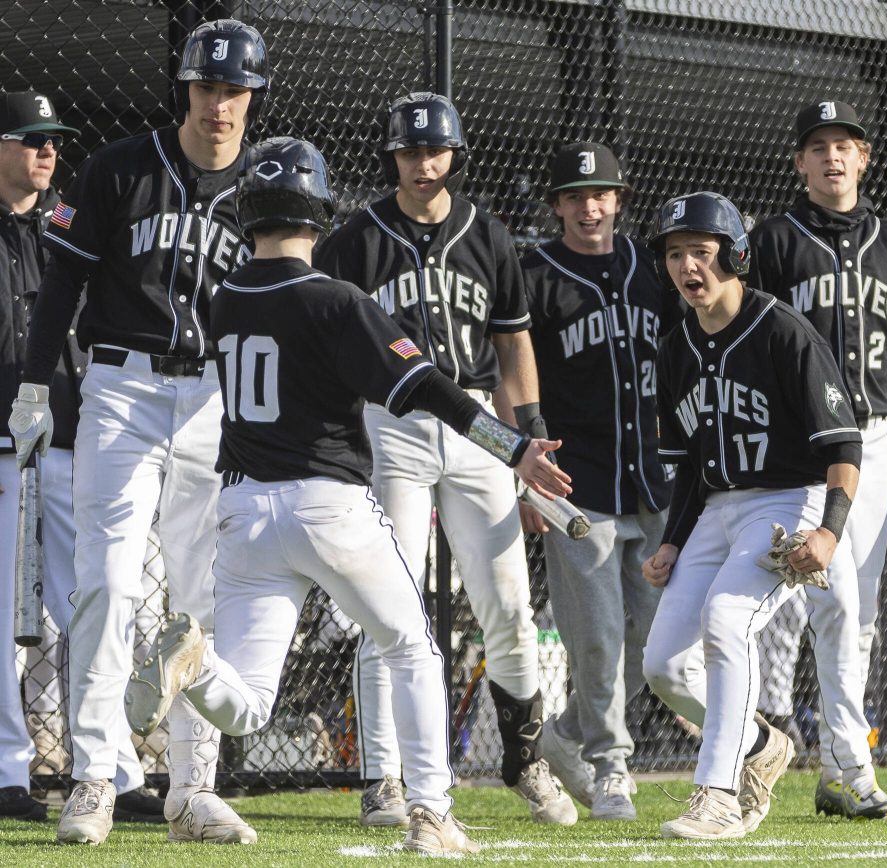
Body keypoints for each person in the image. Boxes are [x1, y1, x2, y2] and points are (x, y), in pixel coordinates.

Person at [124, 135, 572, 854]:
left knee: (246, 703)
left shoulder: (230, 296)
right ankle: (430, 813)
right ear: (319, 209)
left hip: (243, 510)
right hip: (327, 505)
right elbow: (428, 388)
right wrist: (516, 448)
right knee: (413, 649)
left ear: (250, 212)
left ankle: (194, 665)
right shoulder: (337, 298)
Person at [7, 20, 270, 845]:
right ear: (184, 88)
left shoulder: (268, 184)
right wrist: (30, 389)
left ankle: (192, 788)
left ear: (253, 97)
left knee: (200, 598)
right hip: (121, 390)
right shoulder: (119, 167)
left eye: (234, 90)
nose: (218, 104)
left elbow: (290, 307)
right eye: (206, 87)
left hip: (216, 401)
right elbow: (60, 286)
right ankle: (93, 780)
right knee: (110, 584)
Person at [314, 92, 577, 827]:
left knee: (509, 608)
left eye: (435, 152)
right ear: (391, 157)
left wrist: (531, 435)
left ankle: (525, 764)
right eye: (408, 152)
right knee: (384, 604)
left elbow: (512, 344)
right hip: (390, 422)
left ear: (456, 154)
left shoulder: (487, 234)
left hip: (480, 427)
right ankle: (384, 779)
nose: (423, 164)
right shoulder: (355, 239)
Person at [747, 99, 887, 819]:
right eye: (818, 146)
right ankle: (821, 755)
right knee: (820, 605)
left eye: (845, 145)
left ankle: (833, 769)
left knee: (857, 610)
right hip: (798, 444)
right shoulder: (775, 241)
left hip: (871, 441)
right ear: (800, 163)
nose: (833, 156)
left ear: (865, 159)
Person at [639, 191, 863, 840]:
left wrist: (828, 530)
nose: (688, 267)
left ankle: (719, 797)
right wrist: (673, 543)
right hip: (714, 508)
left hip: (786, 502)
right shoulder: (677, 346)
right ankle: (761, 742)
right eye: (676, 255)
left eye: (702, 253)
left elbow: (843, 447)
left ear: (735, 256)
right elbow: (688, 465)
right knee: (663, 666)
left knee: (726, 619)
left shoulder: (784, 330)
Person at [0, 90, 163, 824]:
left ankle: (112, 769)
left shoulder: (71, 219)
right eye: (31, 139)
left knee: (93, 598)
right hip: (2, 445)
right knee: (1, 608)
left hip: (67, 435)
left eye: (54, 140)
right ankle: (7, 769)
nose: (47, 151)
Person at [520, 141, 678, 820]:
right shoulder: (537, 274)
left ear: (619, 199)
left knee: (650, 642)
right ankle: (612, 767)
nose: (590, 207)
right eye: (575, 196)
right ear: (557, 206)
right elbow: (514, 374)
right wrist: (521, 476)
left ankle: (563, 736)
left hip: (653, 480)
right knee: (596, 636)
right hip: (572, 485)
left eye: (601, 194)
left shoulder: (654, 266)